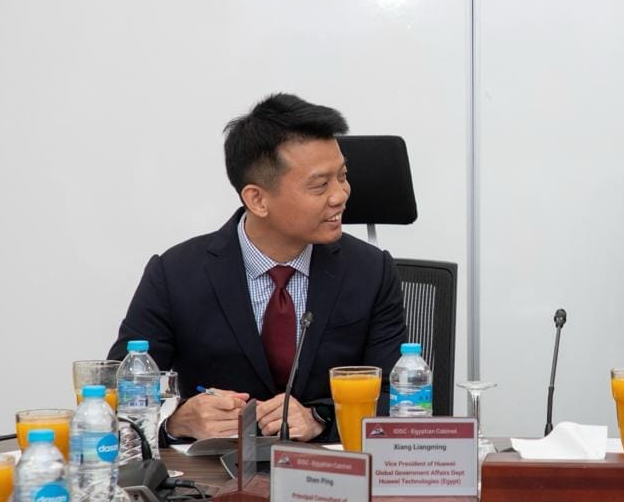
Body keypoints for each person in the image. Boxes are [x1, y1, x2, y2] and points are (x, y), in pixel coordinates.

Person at [109, 94, 406, 442]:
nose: (341, 195)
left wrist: (320, 418)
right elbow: (119, 397)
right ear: (258, 199)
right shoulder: (175, 274)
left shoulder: (371, 271)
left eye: (343, 176)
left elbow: (399, 400)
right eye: (320, 185)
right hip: (212, 470)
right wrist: (175, 420)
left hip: (328, 469)